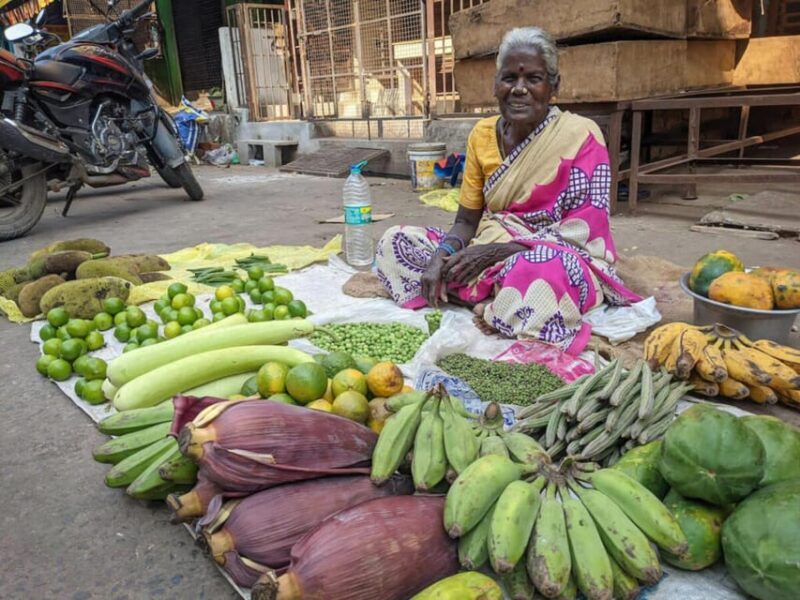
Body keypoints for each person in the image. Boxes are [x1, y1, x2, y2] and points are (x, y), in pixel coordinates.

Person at [376, 27, 641, 355]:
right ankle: (499, 301)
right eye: (509, 79)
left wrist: (497, 253)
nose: (519, 89)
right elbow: (465, 222)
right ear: (495, 85)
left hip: (552, 257)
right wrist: (441, 257)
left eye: (533, 78)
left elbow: (585, 232)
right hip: (490, 251)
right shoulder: (481, 135)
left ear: (553, 87)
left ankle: (488, 298)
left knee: (542, 274)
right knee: (396, 242)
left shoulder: (581, 137)